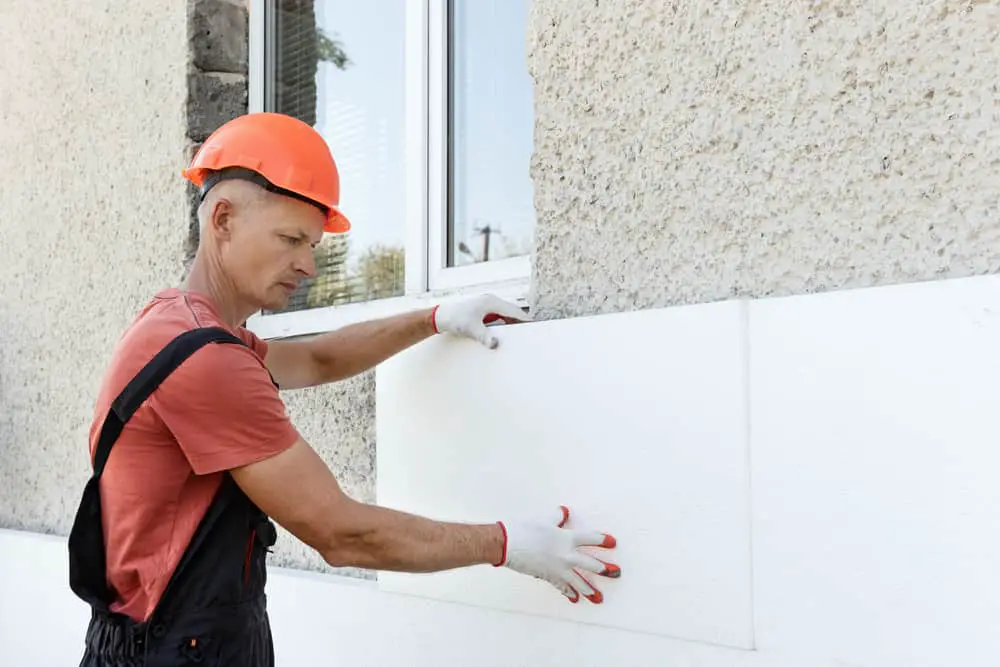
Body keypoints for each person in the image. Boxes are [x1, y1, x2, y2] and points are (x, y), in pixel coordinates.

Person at [67, 112, 620, 666]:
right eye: (290, 239)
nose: (307, 264)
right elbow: (342, 533)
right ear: (224, 219)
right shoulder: (206, 360)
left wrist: (435, 317)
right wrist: (509, 544)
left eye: (312, 244)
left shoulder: (184, 328)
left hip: (164, 641)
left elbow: (315, 357)